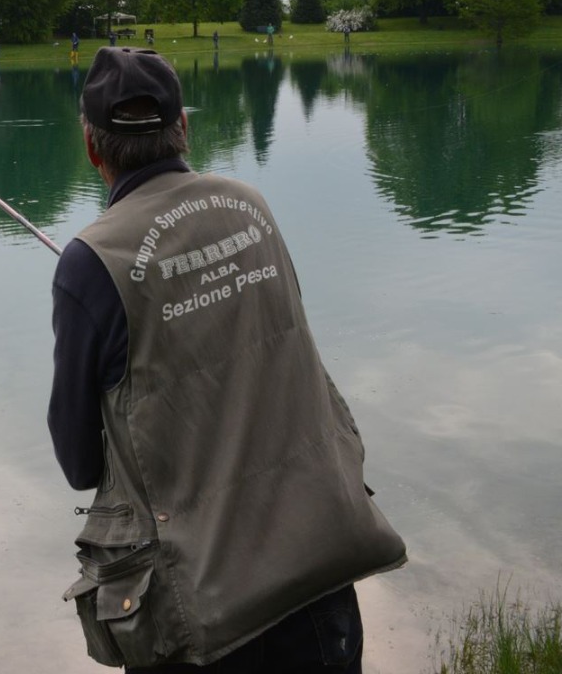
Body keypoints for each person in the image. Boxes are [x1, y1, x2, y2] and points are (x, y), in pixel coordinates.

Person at [50, 47, 405, 672]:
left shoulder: (88, 262)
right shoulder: (251, 206)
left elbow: (80, 463)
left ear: (90, 147)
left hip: (199, 614)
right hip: (318, 578)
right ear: (183, 127)